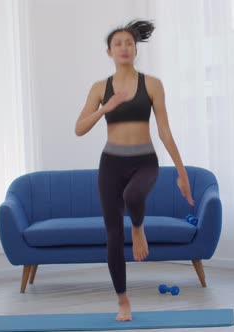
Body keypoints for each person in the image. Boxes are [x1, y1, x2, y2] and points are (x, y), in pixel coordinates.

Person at [74, 19, 194, 322]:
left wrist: (182, 172)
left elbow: (165, 132)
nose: (124, 47)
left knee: (134, 195)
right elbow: (79, 129)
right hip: (110, 164)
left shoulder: (152, 84)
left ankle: (138, 227)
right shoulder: (100, 88)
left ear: (136, 49)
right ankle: (123, 301)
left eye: (129, 43)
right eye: (118, 44)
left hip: (144, 161)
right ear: (109, 52)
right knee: (113, 235)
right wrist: (105, 106)